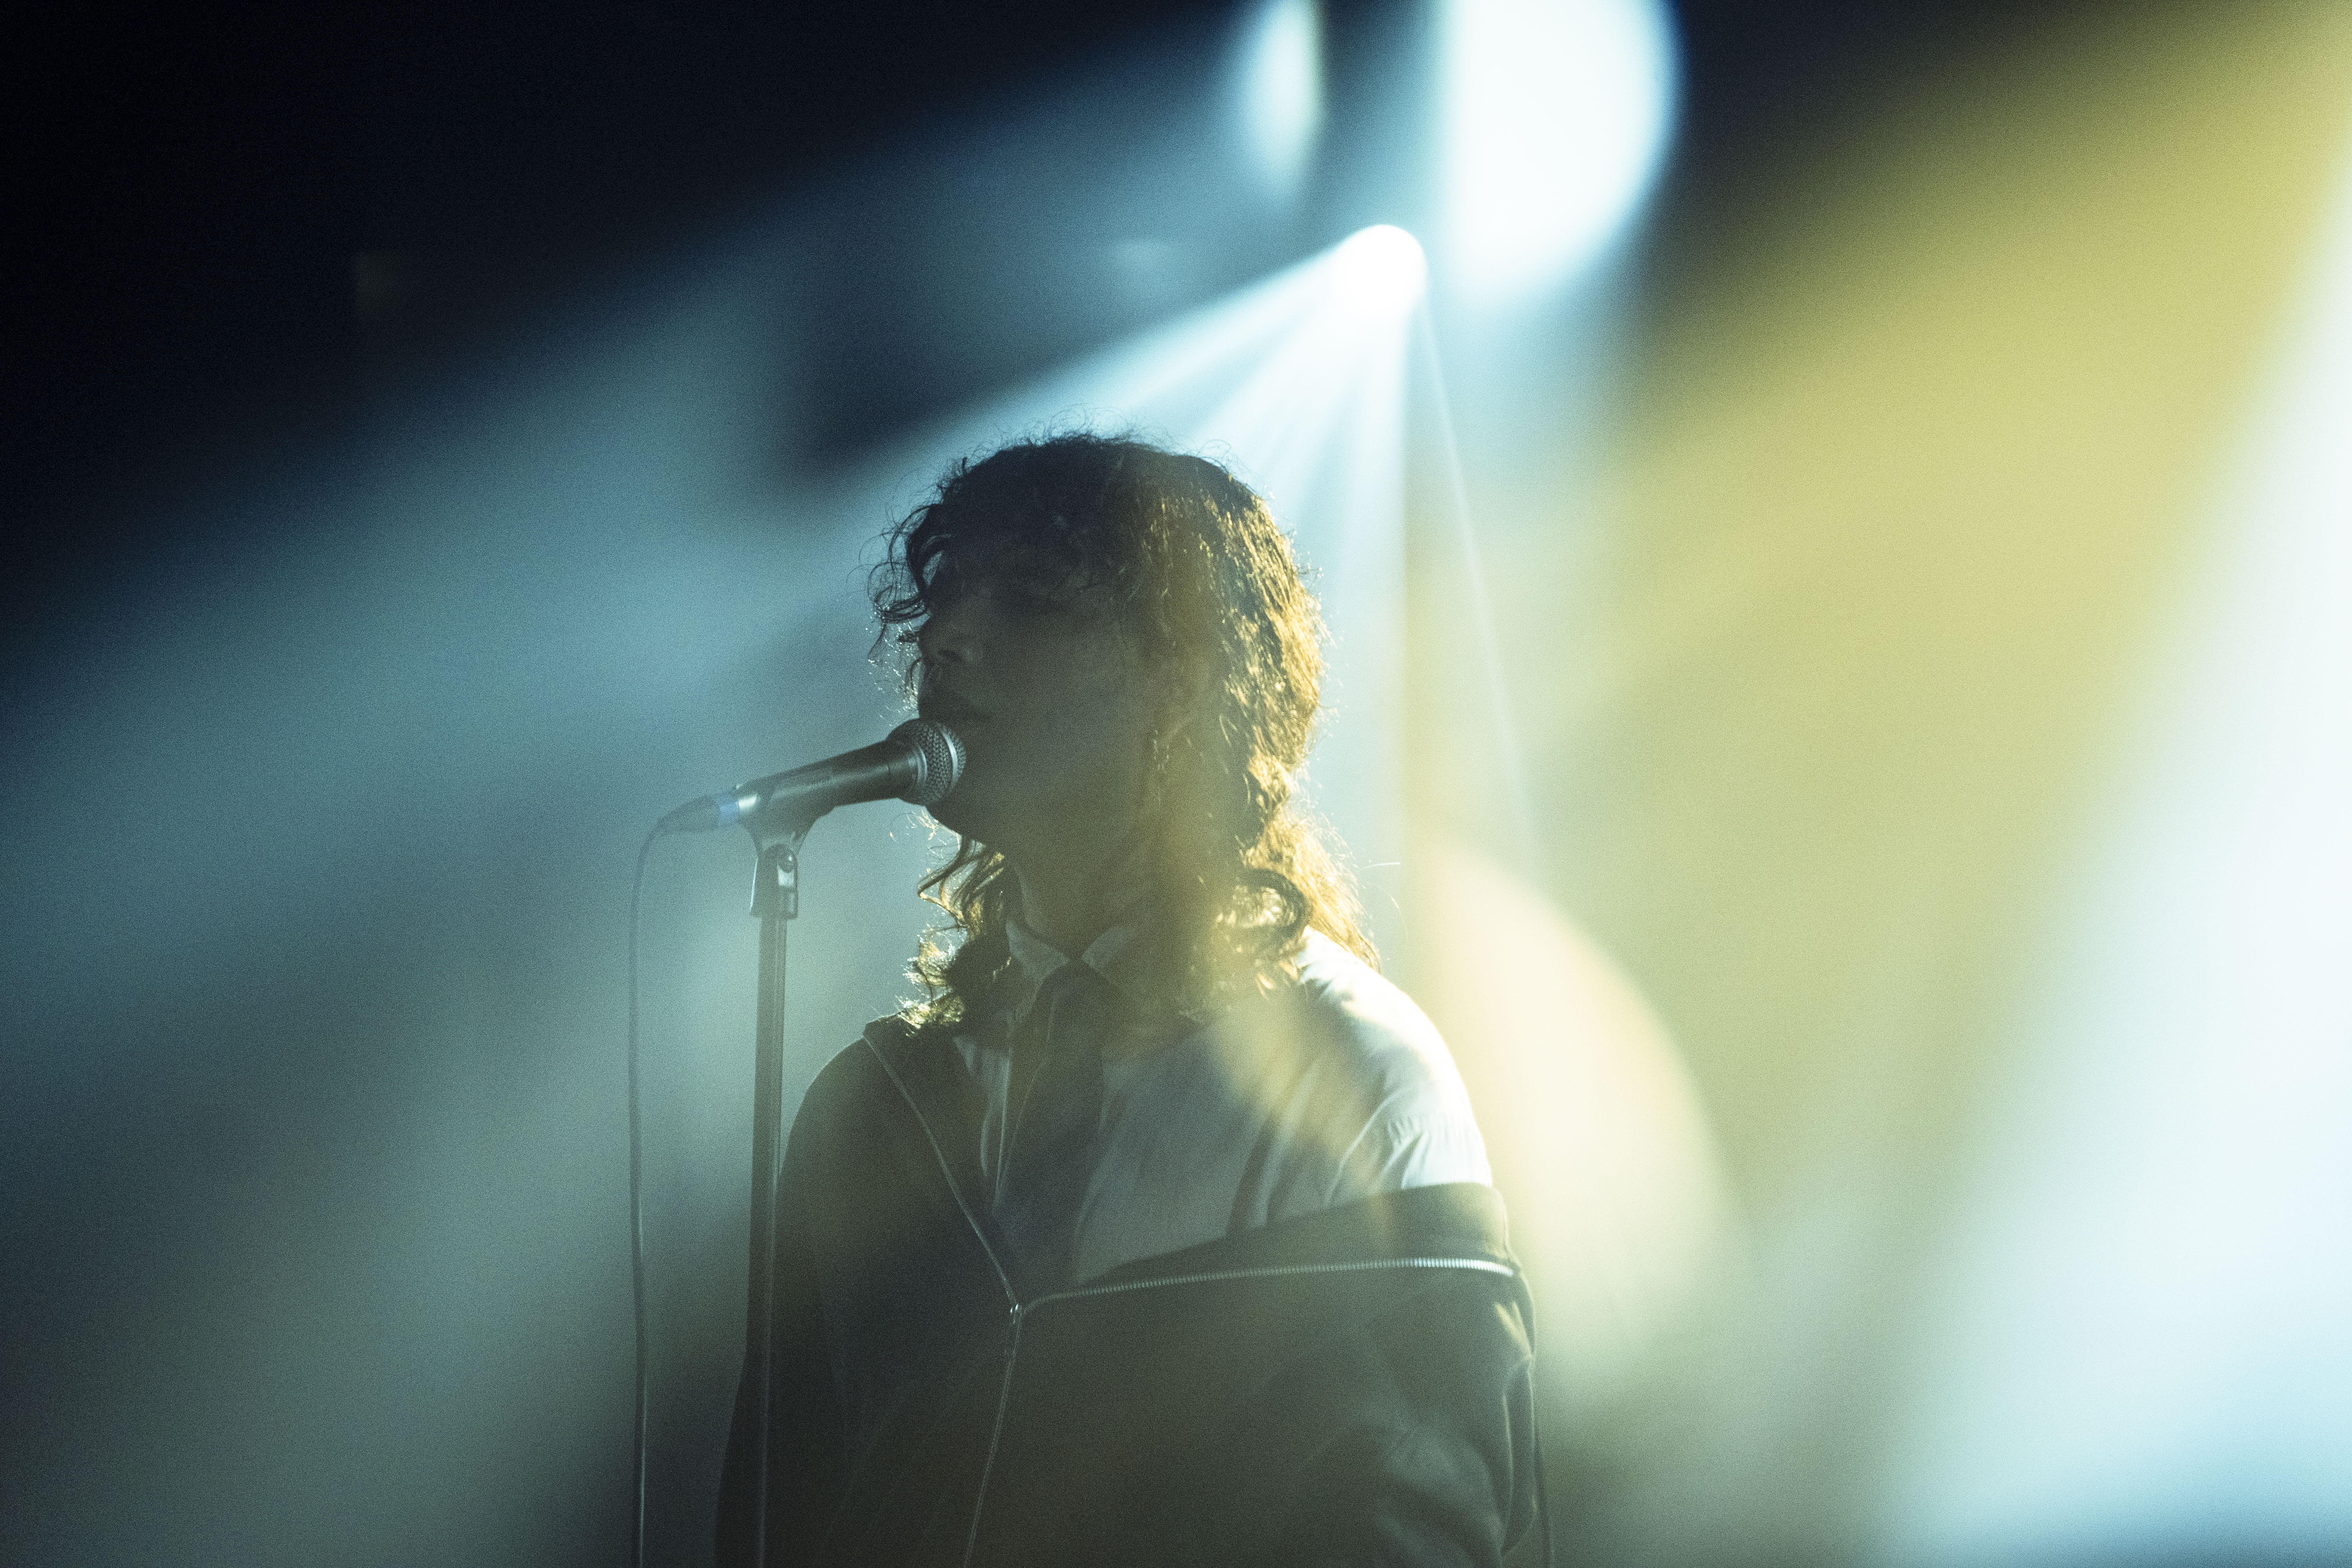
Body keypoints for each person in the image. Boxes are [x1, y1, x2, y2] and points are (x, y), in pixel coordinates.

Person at [715, 434, 1544, 1567]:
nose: (950, 636)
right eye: (944, 598)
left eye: (1036, 604)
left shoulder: (1349, 1074)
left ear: (1180, 679)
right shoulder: (872, 1112)